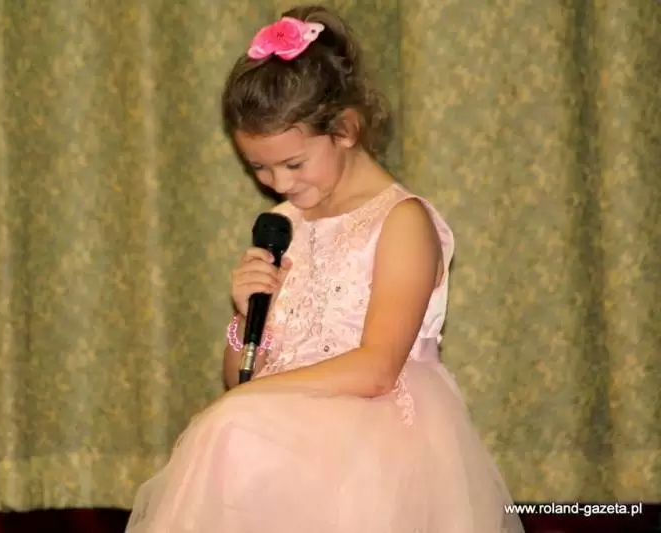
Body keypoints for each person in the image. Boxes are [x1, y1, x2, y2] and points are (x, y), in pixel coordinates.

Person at [126, 4, 525, 532]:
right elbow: (241, 375)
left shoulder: (400, 222)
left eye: (294, 163)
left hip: (373, 440)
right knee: (232, 430)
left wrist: (247, 400)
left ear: (345, 129)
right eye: (259, 167)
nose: (279, 183)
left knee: (233, 425)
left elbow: (377, 368)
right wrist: (245, 318)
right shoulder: (283, 224)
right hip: (282, 434)